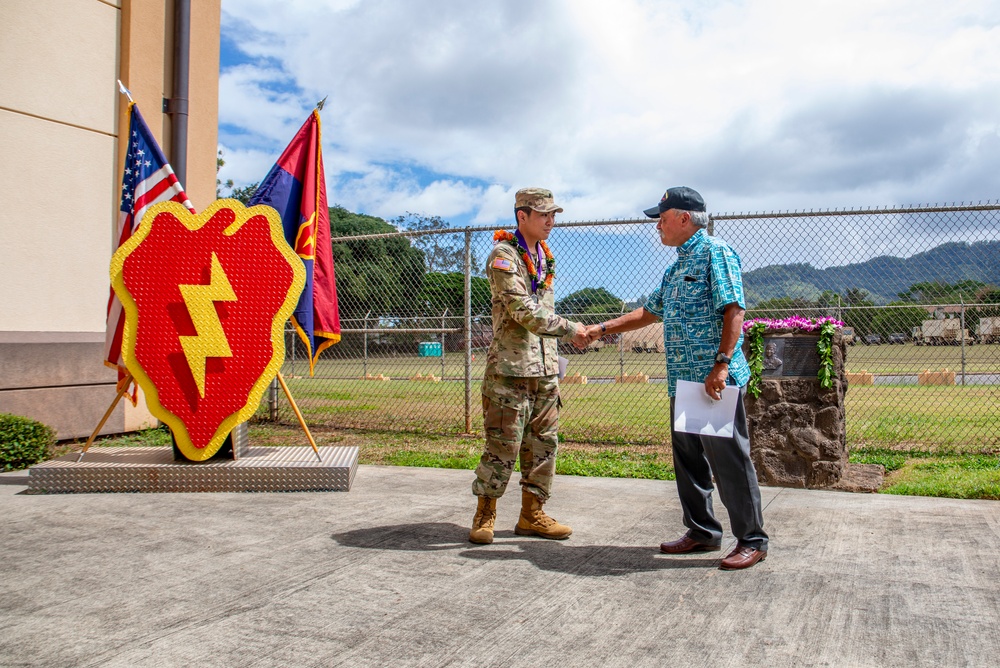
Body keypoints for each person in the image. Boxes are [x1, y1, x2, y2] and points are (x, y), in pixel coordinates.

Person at [583, 186, 768, 570]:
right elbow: (650, 312)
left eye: (662, 219)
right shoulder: (676, 267)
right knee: (689, 460)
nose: (657, 227)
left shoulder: (716, 254)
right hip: (683, 379)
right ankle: (702, 531)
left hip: (711, 380)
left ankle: (752, 540)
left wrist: (720, 365)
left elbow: (734, 310)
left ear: (684, 218)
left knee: (728, 460)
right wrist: (601, 328)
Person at [469, 187, 590, 545]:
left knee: (544, 445)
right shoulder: (503, 256)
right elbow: (523, 311)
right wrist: (572, 329)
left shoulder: (543, 257)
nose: (551, 221)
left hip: (546, 370)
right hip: (510, 371)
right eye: (544, 214)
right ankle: (485, 512)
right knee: (502, 445)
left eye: (554, 214)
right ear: (522, 216)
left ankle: (532, 514)